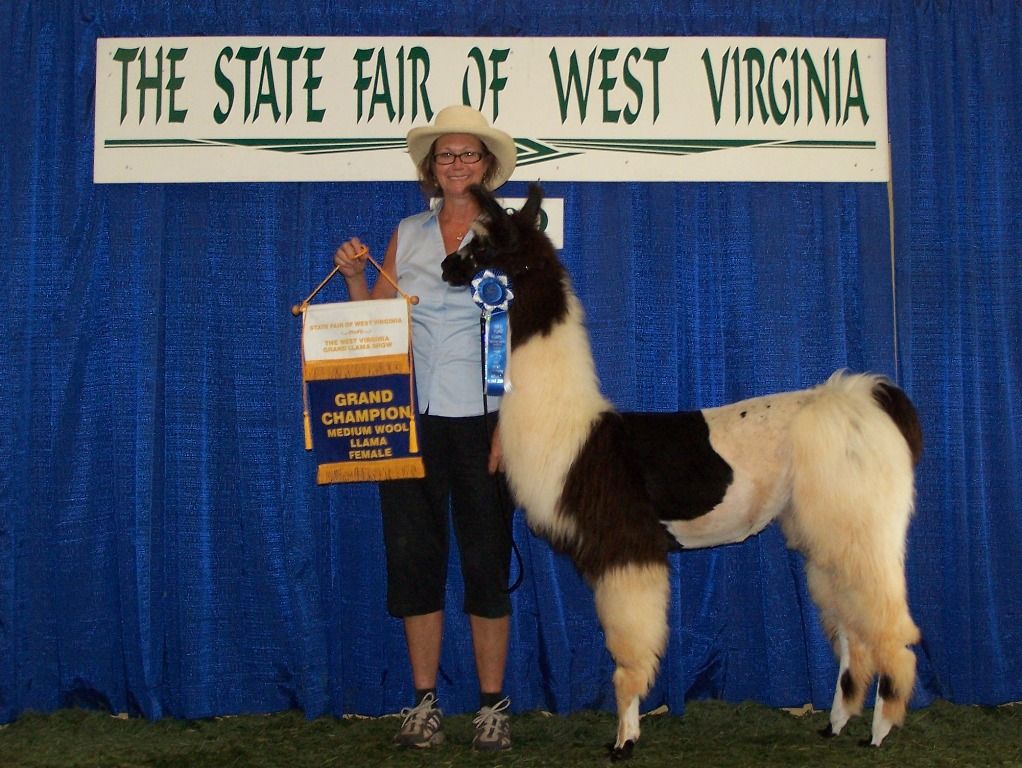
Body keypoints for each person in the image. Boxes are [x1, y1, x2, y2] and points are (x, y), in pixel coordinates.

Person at [333, 105, 518, 751]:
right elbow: (378, 325)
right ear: (431, 168)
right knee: (414, 559)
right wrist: (355, 277)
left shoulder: (511, 236)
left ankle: (492, 706)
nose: (456, 163)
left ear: (486, 165)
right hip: (409, 419)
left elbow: (531, 338)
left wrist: (510, 427)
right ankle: (424, 703)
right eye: (446, 154)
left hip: (484, 420)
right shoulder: (407, 233)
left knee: (486, 563)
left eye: (468, 154)